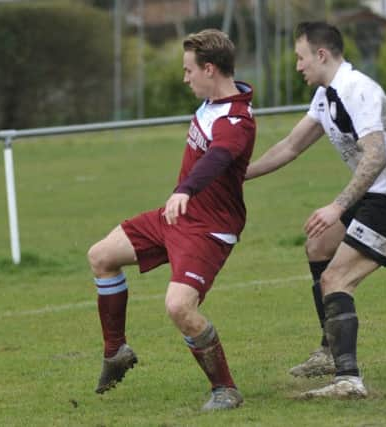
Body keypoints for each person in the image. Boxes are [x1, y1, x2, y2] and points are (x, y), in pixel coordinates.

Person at [245, 21, 386, 398]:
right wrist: (240, 175)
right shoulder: (326, 93)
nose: (298, 66)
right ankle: (330, 351)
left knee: (335, 280)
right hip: (376, 192)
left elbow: (375, 156)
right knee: (318, 247)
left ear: (322, 55)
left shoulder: (356, 90)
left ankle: (348, 380)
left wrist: (337, 206)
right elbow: (291, 146)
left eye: (301, 58)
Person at [87, 28, 256, 410]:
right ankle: (116, 352)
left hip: (208, 229)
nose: (185, 78)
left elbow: (218, 157)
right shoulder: (213, 104)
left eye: (188, 70)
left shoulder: (236, 119)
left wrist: (185, 190)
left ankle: (225, 389)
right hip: (175, 217)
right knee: (101, 256)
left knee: (180, 308)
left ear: (209, 69)